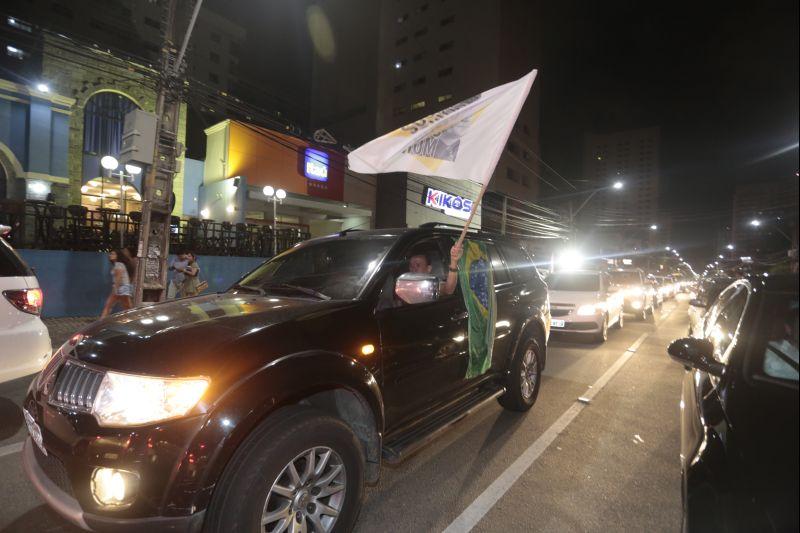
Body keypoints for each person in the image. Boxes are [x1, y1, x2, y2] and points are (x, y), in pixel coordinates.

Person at [101, 249, 135, 317]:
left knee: (108, 305)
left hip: (121, 287)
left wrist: (115, 289)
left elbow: (119, 278)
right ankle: (132, 319)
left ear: (118, 256)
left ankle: (101, 322)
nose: (111, 255)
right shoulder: (118, 264)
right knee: (127, 307)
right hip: (124, 287)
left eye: (113, 254)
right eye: (111, 254)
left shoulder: (118, 265)